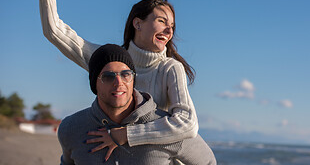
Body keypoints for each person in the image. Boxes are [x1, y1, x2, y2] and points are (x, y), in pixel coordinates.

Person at [36, 0, 198, 161]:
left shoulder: (170, 68)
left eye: (172, 26)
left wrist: (125, 134)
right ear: (138, 23)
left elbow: (187, 123)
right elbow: (55, 32)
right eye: (161, 21)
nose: (169, 30)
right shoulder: (108, 60)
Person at [58, 44, 216, 164]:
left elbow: (208, 162)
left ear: (133, 79)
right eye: (108, 76)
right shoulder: (71, 128)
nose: (119, 83)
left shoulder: (167, 129)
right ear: (94, 83)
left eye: (126, 74)